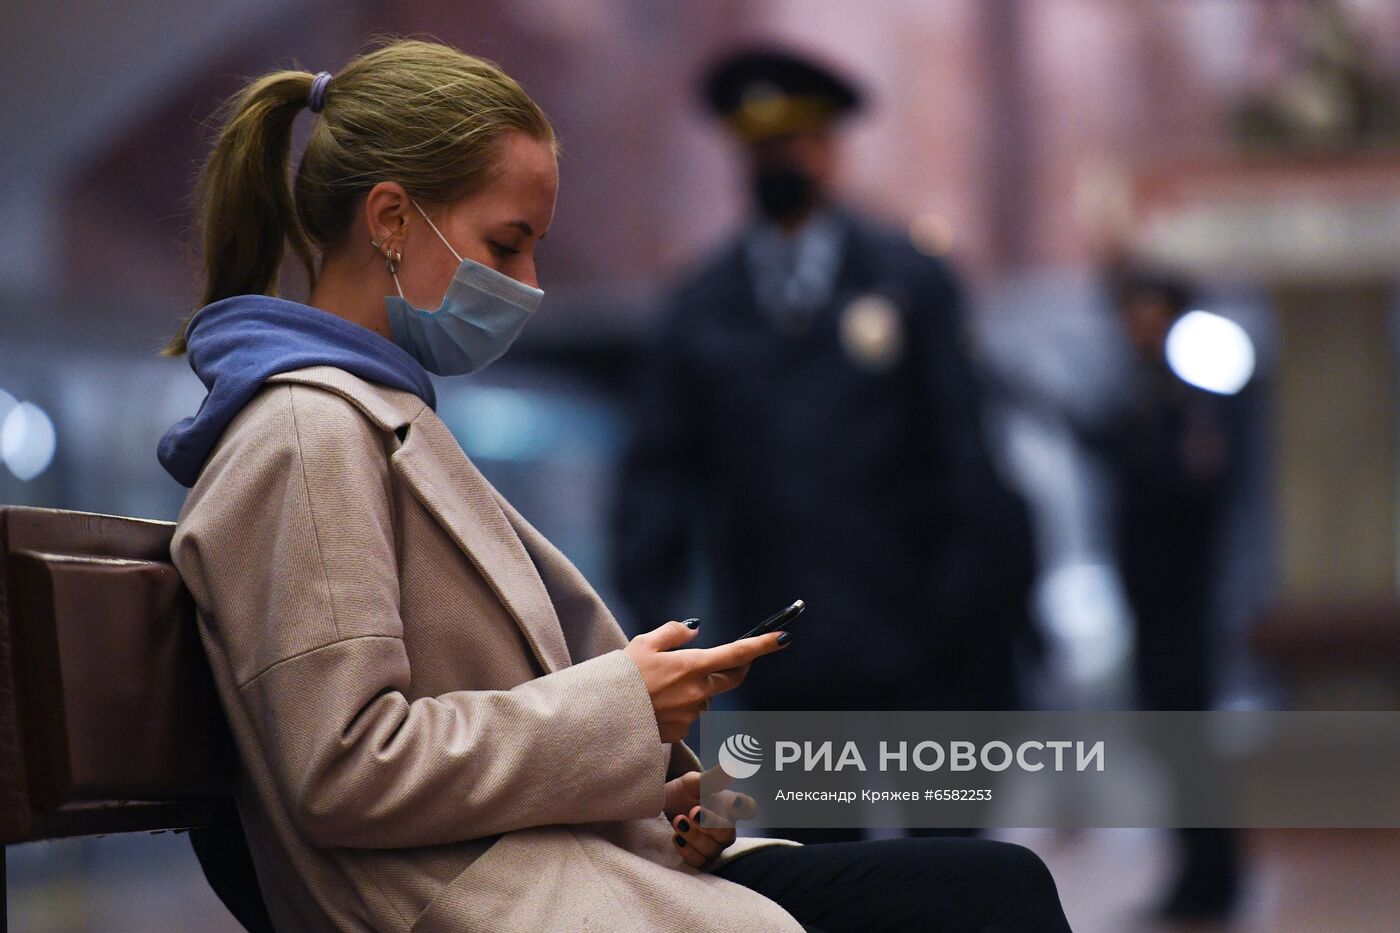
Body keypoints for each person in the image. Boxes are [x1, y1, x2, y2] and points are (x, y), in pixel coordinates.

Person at [156, 39, 1072, 932]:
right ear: (391, 219)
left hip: (563, 849)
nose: (529, 284)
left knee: (986, 873)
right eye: (507, 244)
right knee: (988, 891)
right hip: (489, 892)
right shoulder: (310, 435)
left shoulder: (370, 412)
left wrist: (646, 782)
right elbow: (346, 767)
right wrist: (622, 709)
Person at [612, 47, 1038, 843]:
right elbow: (656, 482)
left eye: (796, 140)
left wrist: (970, 612)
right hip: (784, 646)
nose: (781, 159)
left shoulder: (909, 280)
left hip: (922, 638)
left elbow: (966, 456)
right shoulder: (702, 306)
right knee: (819, 875)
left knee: (946, 870)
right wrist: (664, 623)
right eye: (763, 146)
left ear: (830, 147)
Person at [1091, 265, 1245, 922]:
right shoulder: (1144, 392)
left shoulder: (1193, 391)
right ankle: (1196, 873)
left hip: (1185, 602)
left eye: (1149, 309)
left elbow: (1191, 483)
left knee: (1191, 745)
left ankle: (1211, 878)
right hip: (1153, 603)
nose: (1137, 324)